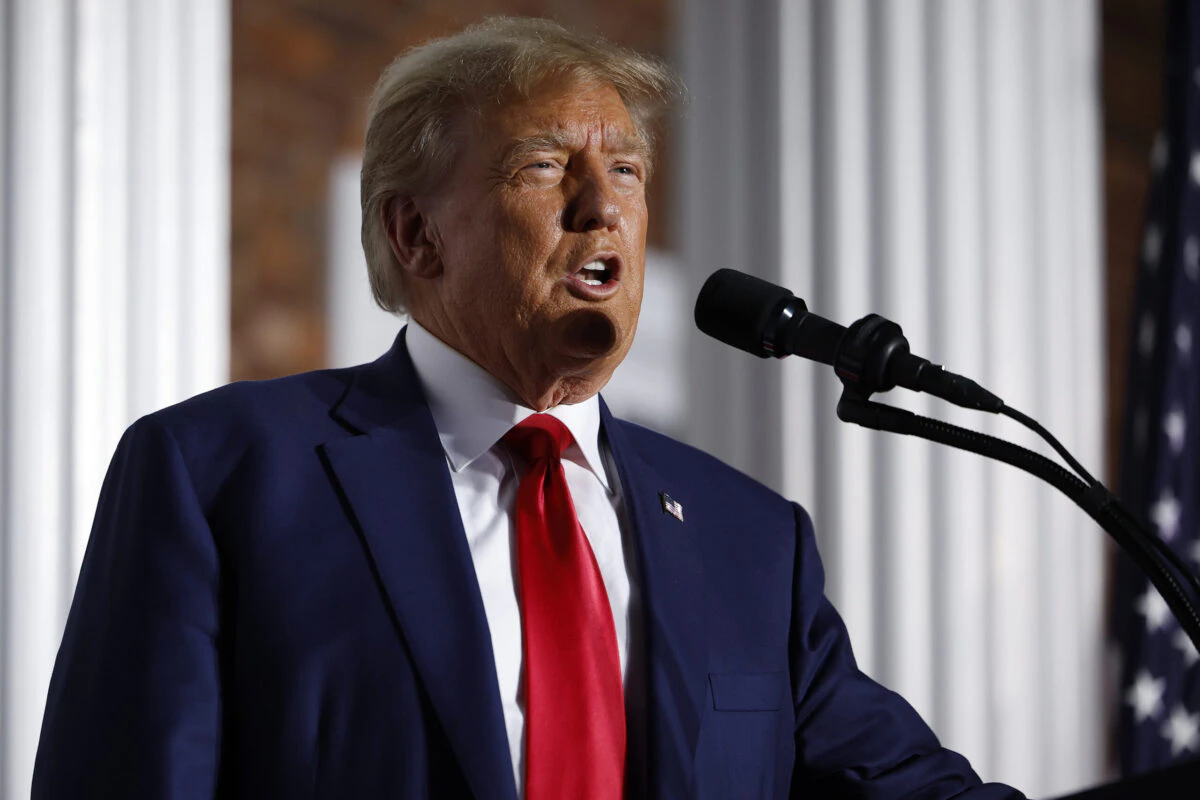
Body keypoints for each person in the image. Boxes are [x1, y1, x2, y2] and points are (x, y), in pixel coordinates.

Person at [33, 16, 1024, 800]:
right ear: (415, 233)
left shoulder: (752, 540)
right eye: (546, 166)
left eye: (627, 170)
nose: (606, 207)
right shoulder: (220, 472)